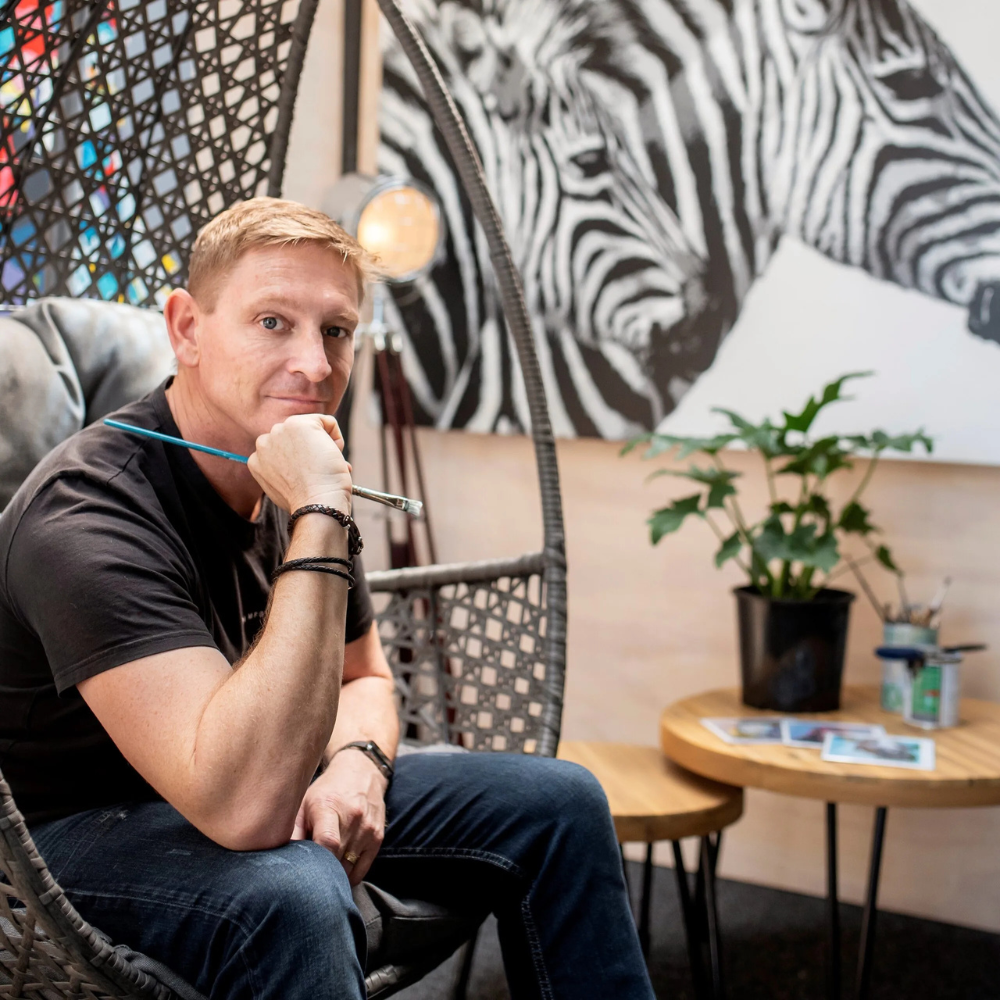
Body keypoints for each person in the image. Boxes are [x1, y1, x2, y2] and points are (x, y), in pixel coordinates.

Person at [0, 198, 655, 1000]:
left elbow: (365, 678)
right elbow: (242, 809)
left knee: (561, 803)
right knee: (294, 893)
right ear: (187, 329)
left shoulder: (293, 466)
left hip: (255, 766)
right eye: (273, 322)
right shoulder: (88, 513)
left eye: (336, 331)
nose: (314, 366)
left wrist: (357, 766)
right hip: (57, 841)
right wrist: (320, 513)